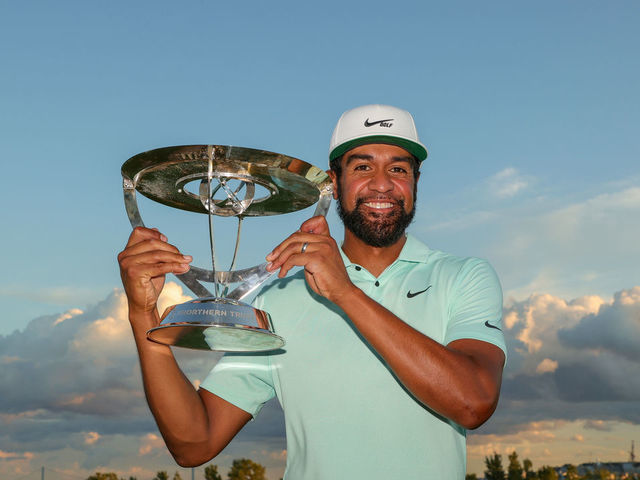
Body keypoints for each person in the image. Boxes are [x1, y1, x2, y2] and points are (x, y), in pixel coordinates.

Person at [118, 104, 506, 479]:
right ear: (333, 184)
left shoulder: (463, 276)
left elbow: (472, 402)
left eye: (399, 168)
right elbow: (193, 444)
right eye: (363, 166)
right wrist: (142, 314)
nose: (382, 183)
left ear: (415, 182)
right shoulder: (280, 299)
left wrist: (345, 293)